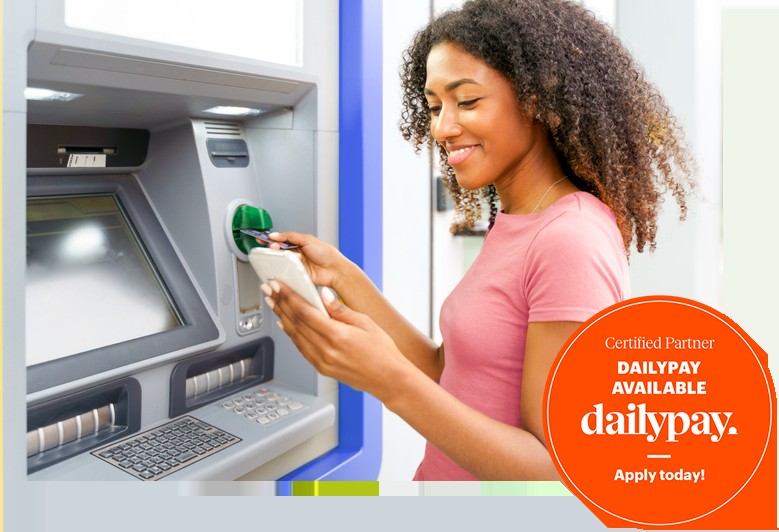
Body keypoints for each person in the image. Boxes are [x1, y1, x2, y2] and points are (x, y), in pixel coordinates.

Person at [261, 0, 695, 480]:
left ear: (537, 99)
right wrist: (341, 275)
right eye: (433, 106)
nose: (443, 127)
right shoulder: (518, 218)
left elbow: (559, 470)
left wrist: (388, 381)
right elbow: (451, 371)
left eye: (466, 101)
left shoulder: (571, 239)